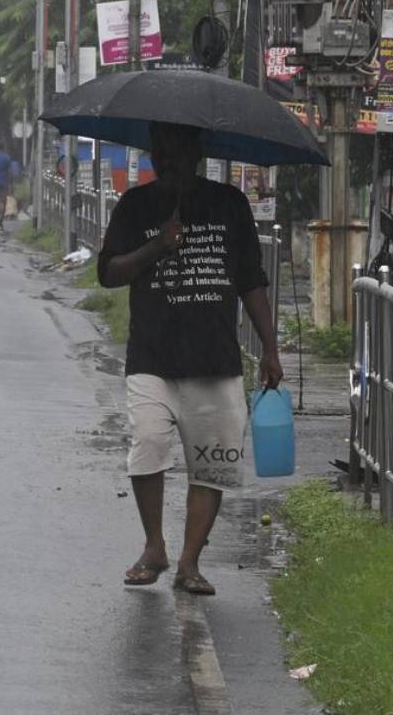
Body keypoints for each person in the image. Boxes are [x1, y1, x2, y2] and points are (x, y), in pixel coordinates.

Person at [97, 121, 282, 596]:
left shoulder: (230, 204)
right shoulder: (135, 205)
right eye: (160, 151)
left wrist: (270, 348)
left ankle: (189, 562)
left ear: (197, 153)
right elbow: (109, 273)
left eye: (177, 150)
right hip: (152, 355)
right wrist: (157, 245)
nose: (168, 159)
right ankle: (154, 547)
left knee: (213, 462)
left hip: (215, 359)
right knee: (147, 444)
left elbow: (251, 281)